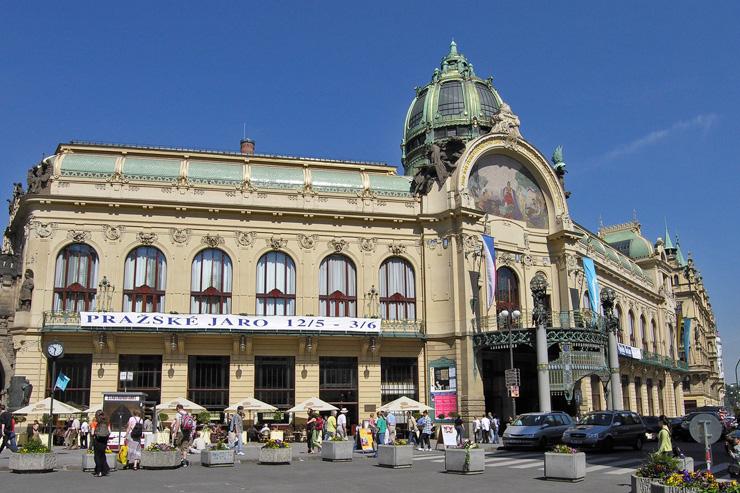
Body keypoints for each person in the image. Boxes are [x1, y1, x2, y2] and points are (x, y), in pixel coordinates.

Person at [92, 410, 110, 477]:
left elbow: (92, 433)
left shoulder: (95, 423)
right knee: (103, 455)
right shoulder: (107, 422)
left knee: (97, 456)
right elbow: (109, 432)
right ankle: (104, 470)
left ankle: (98, 471)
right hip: (104, 441)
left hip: (97, 440)